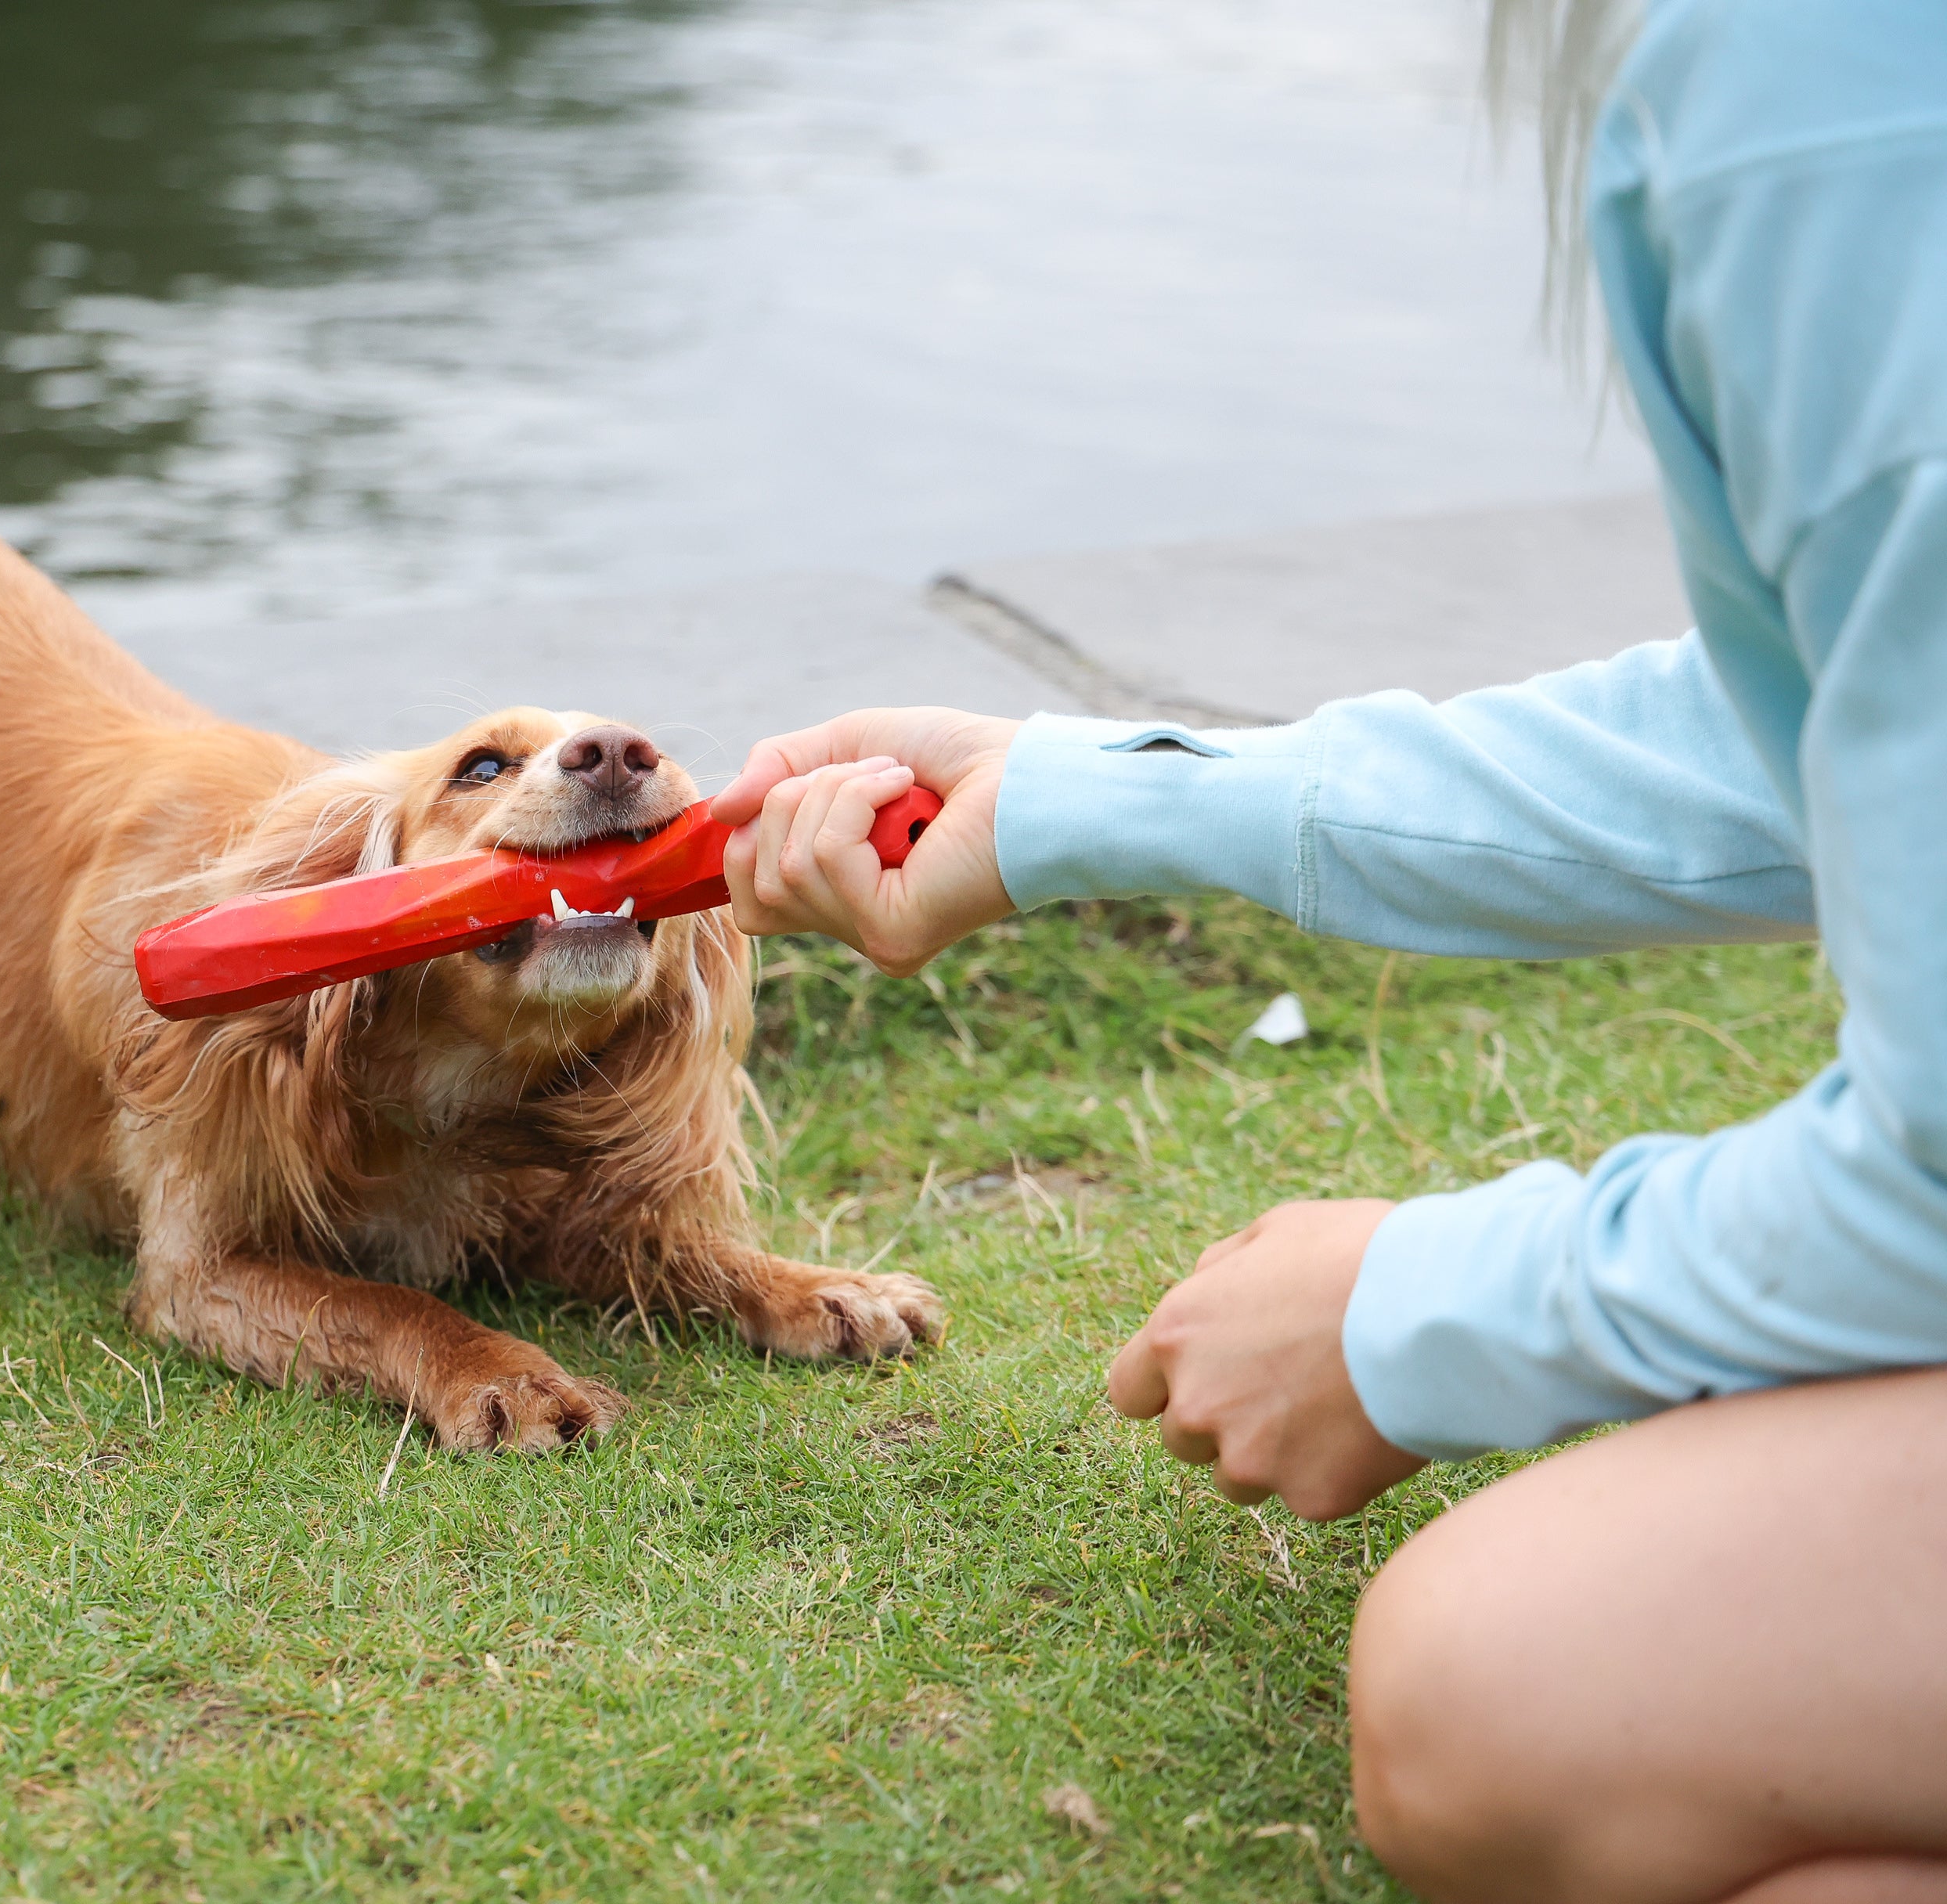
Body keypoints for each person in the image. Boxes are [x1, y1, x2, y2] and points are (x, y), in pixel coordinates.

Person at [710, 2, 1947, 1899]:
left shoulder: (1812, 88)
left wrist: (1428, 1309)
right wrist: (1090, 801)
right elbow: (1819, 714)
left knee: (1512, 1688)